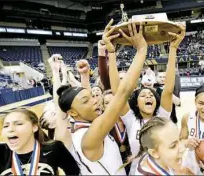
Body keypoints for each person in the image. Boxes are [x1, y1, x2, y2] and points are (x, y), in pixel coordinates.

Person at [54, 19, 148, 175]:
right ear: (72, 113)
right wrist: (141, 50)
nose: (95, 100)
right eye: (87, 100)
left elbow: (80, 102)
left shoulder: (77, 129)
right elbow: (123, 93)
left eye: (92, 96)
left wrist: (85, 77)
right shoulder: (90, 135)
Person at [109, 23, 186, 174]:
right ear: (136, 104)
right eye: (143, 95)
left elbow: (168, 90)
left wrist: (173, 49)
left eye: (151, 94)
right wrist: (111, 54)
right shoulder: (131, 119)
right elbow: (118, 92)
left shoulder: (162, 117)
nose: (148, 96)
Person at [0, 109, 80, 175]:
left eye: (19, 124)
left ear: (34, 127)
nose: (10, 129)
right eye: (6, 126)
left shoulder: (54, 148)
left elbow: (74, 172)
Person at [102, 89, 132, 174]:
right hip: (114, 168)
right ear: (103, 107)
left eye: (113, 101)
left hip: (133, 165)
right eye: (107, 103)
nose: (111, 105)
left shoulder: (131, 120)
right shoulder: (101, 126)